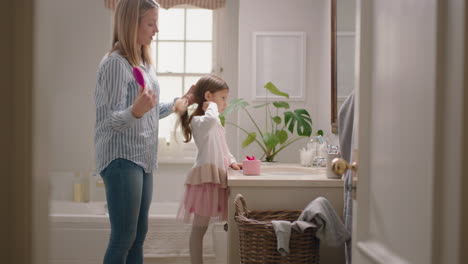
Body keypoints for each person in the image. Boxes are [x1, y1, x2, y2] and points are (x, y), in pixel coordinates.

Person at [95, 0, 193, 263]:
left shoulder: (143, 63)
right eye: (150, 23)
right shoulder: (115, 64)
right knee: (123, 237)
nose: (156, 30)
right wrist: (135, 111)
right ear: (131, 24)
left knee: (138, 235)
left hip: (142, 158)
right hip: (121, 158)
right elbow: (109, 120)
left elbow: (145, 109)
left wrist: (173, 105)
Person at [176, 75, 242, 264]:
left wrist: (232, 162)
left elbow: (223, 147)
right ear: (208, 96)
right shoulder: (200, 121)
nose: (225, 103)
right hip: (205, 179)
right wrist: (210, 105)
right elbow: (211, 120)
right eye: (222, 98)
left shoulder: (213, 121)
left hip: (216, 177)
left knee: (206, 226)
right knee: (199, 229)